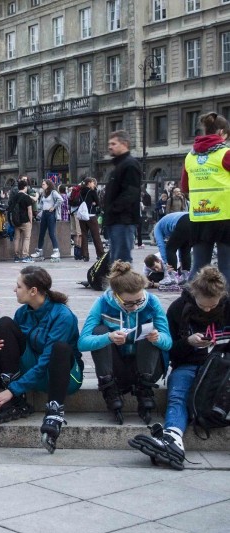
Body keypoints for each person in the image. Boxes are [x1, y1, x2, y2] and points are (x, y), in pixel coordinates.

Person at [129, 267, 229, 470]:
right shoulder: (178, 308)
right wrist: (188, 342)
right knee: (178, 395)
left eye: (213, 306)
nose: (208, 310)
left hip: (222, 367)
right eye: (204, 306)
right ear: (194, 295)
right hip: (188, 363)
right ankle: (172, 438)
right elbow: (169, 349)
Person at [0, 266, 84, 453]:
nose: (14, 290)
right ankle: (18, 402)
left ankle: (54, 411)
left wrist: (11, 390)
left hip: (62, 376)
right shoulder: (23, 312)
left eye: (18, 286)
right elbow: (18, 349)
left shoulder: (62, 315)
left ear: (33, 291)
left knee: (60, 348)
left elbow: (47, 360)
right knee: (4, 324)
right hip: (34, 371)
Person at [78, 261, 172, 425]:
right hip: (116, 368)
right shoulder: (103, 302)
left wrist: (158, 338)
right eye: (129, 303)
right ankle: (109, 389)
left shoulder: (152, 301)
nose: (135, 307)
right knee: (100, 331)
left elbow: (168, 343)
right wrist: (108, 337)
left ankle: (145, 390)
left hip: (147, 367)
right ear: (116, 295)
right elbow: (82, 343)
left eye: (139, 301)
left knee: (151, 330)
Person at [182, 112, 230, 289]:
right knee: (226, 269)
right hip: (225, 216)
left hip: (199, 218)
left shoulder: (190, 157)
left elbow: (185, 187)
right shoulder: (226, 154)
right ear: (222, 133)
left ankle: (189, 304)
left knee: (199, 268)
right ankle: (225, 310)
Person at [104, 131, 142, 264]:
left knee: (121, 261)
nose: (110, 147)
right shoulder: (120, 165)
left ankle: (125, 285)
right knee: (116, 261)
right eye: (109, 144)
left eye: (114, 144)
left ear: (124, 144)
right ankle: (116, 285)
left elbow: (131, 193)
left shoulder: (130, 164)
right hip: (116, 220)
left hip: (123, 220)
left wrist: (113, 209)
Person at [153, 212, 191, 285]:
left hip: (182, 221)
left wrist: (166, 262)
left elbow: (161, 245)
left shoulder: (157, 228)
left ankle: (172, 276)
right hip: (192, 219)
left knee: (170, 248)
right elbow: (180, 244)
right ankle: (186, 275)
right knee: (185, 249)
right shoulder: (166, 223)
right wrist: (181, 261)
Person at [30, 179, 63, 261]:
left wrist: (54, 207)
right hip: (44, 214)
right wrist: (39, 210)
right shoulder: (44, 193)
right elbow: (41, 203)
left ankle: (56, 251)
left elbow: (60, 199)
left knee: (52, 233)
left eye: (44, 184)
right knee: (41, 233)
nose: (42, 185)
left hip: (51, 214)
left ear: (48, 185)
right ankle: (39, 251)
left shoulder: (53, 192)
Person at [77, 177, 104, 263]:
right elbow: (98, 202)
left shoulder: (80, 191)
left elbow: (78, 202)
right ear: (89, 183)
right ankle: (100, 254)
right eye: (92, 182)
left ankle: (85, 256)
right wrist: (94, 203)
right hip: (91, 216)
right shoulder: (92, 191)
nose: (94, 184)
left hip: (82, 217)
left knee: (84, 235)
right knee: (96, 235)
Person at [9, 180, 34, 263]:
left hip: (16, 221)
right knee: (26, 238)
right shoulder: (27, 197)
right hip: (25, 220)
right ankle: (25, 256)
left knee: (17, 239)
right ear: (25, 187)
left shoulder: (14, 197)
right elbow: (30, 211)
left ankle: (16, 256)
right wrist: (31, 221)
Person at [67, 185, 83, 260]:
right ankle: (79, 253)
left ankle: (75, 253)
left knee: (75, 233)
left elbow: (68, 201)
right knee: (79, 233)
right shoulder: (80, 193)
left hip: (72, 213)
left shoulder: (71, 193)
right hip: (77, 213)